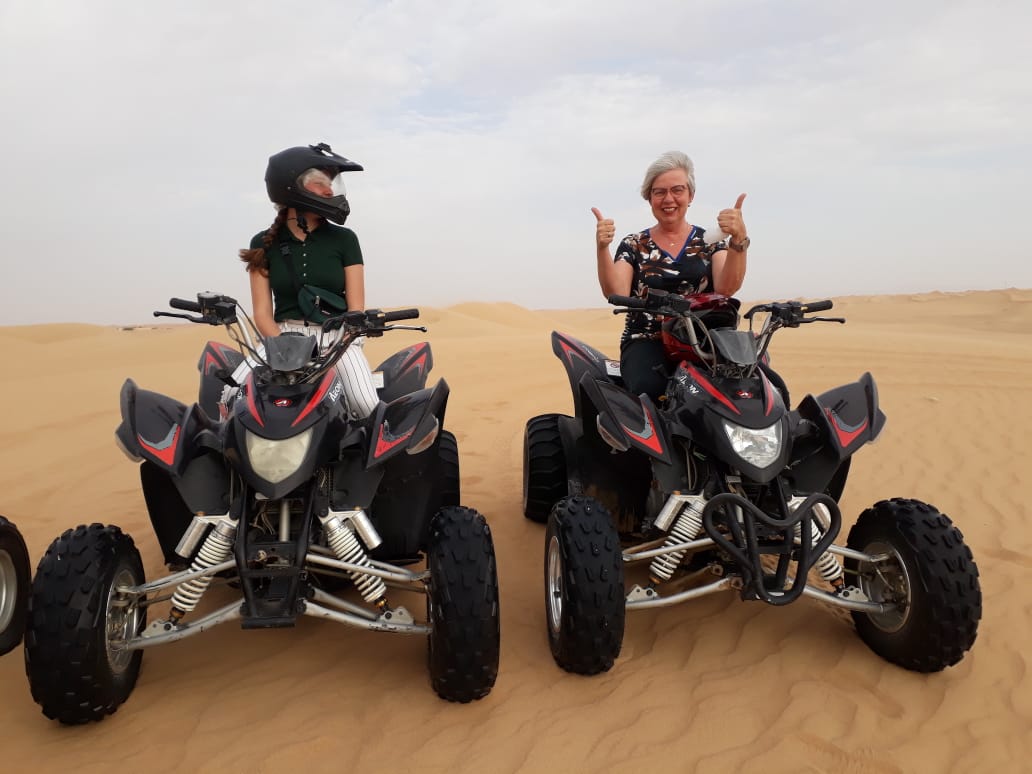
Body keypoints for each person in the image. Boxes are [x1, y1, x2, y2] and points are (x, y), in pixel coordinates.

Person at [231, 142, 380, 418]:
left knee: (365, 404)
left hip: (336, 339)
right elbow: (263, 314)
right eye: (320, 184)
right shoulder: (262, 243)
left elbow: (356, 307)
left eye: (331, 185)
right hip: (280, 339)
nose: (329, 191)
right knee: (230, 397)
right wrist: (285, 348)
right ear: (291, 188)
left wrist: (343, 341)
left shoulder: (345, 240)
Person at [592, 150, 750, 401]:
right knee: (650, 393)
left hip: (704, 340)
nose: (669, 199)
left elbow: (727, 288)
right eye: (659, 192)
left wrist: (738, 240)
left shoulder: (709, 240)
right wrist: (602, 248)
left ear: (690, 195)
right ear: (649, 198)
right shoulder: (634, 244)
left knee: (755, 387)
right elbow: (616, 292)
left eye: (677, 190)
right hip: (647, 338)